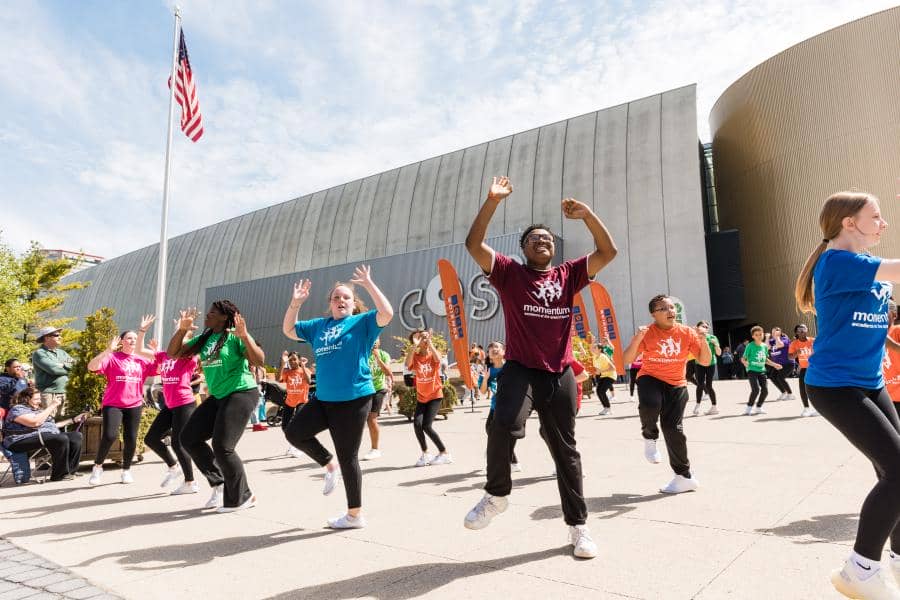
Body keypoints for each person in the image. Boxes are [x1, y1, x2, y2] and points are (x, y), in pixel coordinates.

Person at [462, 175, 617, 560]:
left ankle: (578, 528)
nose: (542, 241)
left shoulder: (569, 275)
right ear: (524, 248)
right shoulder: (509, 274)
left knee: (566, 451)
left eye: (547, 238)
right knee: (503, 426)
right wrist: (492, 201)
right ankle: (496, 495)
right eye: (534, 239)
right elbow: (473, 245)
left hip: (559, 373)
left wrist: (588, 215)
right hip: (520, 369)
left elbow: (608, 251)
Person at [793, 191, 900, 599]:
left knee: (893, 475)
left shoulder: (868, 269)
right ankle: (860, 568)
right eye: (876, 216)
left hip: (870, 382)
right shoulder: (837, 261)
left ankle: (896, 562)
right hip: (835, 386)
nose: (884, 223)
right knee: (899, 472)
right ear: (848, 222)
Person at [281, 264, 393, 529]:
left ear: (354, 304)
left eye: (346, 297)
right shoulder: (319, 326)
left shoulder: (362, 322)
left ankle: (354, 515)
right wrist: (295, 303)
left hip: (355, 398)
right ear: (330, 303)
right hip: (324, 398)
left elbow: (387, 313)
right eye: (336, 297)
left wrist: (368, 284)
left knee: (349, 457)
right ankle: (329, 464)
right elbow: (288, 330)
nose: (341, 300)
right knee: (294, 432)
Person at [169, 301, 266, 513]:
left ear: (224, 317)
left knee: (223, 446)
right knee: (188, 438)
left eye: (212, 312)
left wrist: (244, 336)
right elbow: (173, 353)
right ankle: (220, 482)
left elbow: (259, 360)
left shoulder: (234, 336)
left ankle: (243, 496)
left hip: (241, 392)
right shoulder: (204, 339)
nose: (207, 315)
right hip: (219, 396)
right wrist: (183, 328)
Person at [623, 294, 709, 494]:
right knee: (650, 404)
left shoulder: (687, 333)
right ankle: (649, 437)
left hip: (677, 384)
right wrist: (637, 339)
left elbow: (704, 361)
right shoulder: (648, 333)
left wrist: (702, 340)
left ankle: (684, 476)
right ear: (653, 314)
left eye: (672, 307)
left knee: (674, 429)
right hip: (650, 377)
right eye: (664, 308)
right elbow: (626, 359)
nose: (671, 311)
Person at [134, 315, 202, 495]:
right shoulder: (164, 355)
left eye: (182, 335)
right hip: (169, 405)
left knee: (180, 443)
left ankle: (190, 482)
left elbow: (189, 346)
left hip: (184, 403)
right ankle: (173, 466)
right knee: (151, 438)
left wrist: (185, 330)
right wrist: (142, 331)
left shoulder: (189, 357)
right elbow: (139, 350)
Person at [86, 324, 156, 485]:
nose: (133, 340)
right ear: (122, 341)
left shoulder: (142, 360)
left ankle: (126, 470)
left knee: (131, 438)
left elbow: (161, 368)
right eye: (129, 338)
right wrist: (108, 350)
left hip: (135, 403)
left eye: (135, 338)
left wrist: (156, 352)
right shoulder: (112, 357)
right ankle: (97, 467)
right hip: (113, 403)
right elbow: (91, 367)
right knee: (110, 435)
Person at [2, 386, 84, 482]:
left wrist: (74, 420)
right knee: (60, 438)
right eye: (36, 399)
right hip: (19, 441)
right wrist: (51, 406)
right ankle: (59, 475)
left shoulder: (38, 411)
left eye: (40, 398)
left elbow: (52, 426)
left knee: (76, 436)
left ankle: (70, 471)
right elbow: (34, 423)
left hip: (42, 436)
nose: (39, 401)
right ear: (27, 399)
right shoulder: (17, 409)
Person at [405, 329, 453, 467]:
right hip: (422, 396)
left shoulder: (433, 354)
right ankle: (425, 453)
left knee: (427, 425)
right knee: (417, 424)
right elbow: (407, 364)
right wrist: (415, 345)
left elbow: (438, 359)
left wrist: (430, 342)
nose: (423, 340)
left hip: (435, 395)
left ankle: (444, 453)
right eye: (419, 339)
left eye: (424, 337)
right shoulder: (415, 356)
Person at [31, 326, 74, 415]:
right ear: (47, 337)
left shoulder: (62, 352)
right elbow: (54, 370)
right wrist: (68, 367)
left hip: (65, 391)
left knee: (63, 422)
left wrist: (63, 365)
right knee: (49, 421)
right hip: (49, 393)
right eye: (56, 335)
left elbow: (75, 365)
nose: (60, 337)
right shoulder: (39, 353)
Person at [277, 351, 312, 458]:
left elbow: (309, 381)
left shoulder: (304, 370)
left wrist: (303, 366)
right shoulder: (287, 372)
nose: (292, 361)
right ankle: (293, 445)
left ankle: (297, 447)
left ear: (299, 360)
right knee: (285, 426)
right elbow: (278, 378)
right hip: (289, 402)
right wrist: (283, 363)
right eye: (290, 359)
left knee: (298, 425)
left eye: (294, 359)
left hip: (301, 401)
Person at [741, 326, 782, 415]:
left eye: (760, 334)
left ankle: (758, 407)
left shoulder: (764, 346)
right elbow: (743, 358)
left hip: (762, 371)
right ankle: (748, 408)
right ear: (753, 336)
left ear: (763, 334)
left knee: (765, 391)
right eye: (756, 335)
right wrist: (745, 363)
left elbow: (766, 360)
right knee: (755, 390)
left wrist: (775, 365)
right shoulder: (750, 346)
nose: (759, 336)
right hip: (752, 370)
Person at [363, 339, 391, 460]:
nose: (374, 341)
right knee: (359, 420)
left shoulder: (384, 355)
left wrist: (378, 358)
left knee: (371, 418)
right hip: (364, 389)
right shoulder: (362, 353)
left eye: (376, 339)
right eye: (372, 339)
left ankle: (375, 449)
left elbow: (388, 372)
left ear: (379, 342)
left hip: (379, 389)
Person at [692, 321, 721, 416]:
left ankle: (714, 407)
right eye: (702, 326)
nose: (705, 328)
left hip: (711, 364)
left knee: (709, 385)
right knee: (700, 384)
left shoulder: (713, 338)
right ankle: (697, 406)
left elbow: (719, 353)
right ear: (698, 327)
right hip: (699, 363)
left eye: (706, 327)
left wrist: (716, 345)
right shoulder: (695, 337)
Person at [788, 324, 818, 417]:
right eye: (799, 330)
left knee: (817, 389)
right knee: (803, 389)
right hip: (804, 369)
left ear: (807, 330)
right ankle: (806, 409)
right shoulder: (794, 343)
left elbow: (822, 351)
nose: (802, 331)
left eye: (804, 329)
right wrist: (797, 353)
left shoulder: (813, 341)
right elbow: (790, 357)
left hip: (814, 369)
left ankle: (818, 409)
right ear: (797, 332)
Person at [766, 327, 795, 401]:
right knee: (772, 377)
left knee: (780, 378)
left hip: (787, 364)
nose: (773, 334)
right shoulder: (772, 340)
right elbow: (767, 347)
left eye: (776, 332)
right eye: (772, 332)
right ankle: (783, 392)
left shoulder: (785, 339)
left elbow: (779, 345)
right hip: (778, 365)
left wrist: (777, 337)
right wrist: (767, 337)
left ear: (780, 333)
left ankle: (790, 394)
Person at [590, 340, 616, 416]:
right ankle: (606, 408)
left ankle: (608, 408)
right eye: (594, 347)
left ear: (599, 349)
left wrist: (601, 371)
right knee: (598, 391)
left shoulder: (603, 357)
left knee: (601, 391)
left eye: (595, 347)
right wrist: (592, 340)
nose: (593, 349)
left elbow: (613, 368)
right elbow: (590, 349)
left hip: (610, 376)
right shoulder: (595, 356)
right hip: (603, 375)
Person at [248, 364, 268, 432]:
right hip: (254, 386)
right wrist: (253, 373)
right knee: (255, 406)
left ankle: (257, 423)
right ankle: (256, 424)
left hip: (258, 386)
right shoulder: (252, 367)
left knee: (257, 405)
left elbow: (262, 378)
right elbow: (254, 378)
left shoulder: (259, 367)